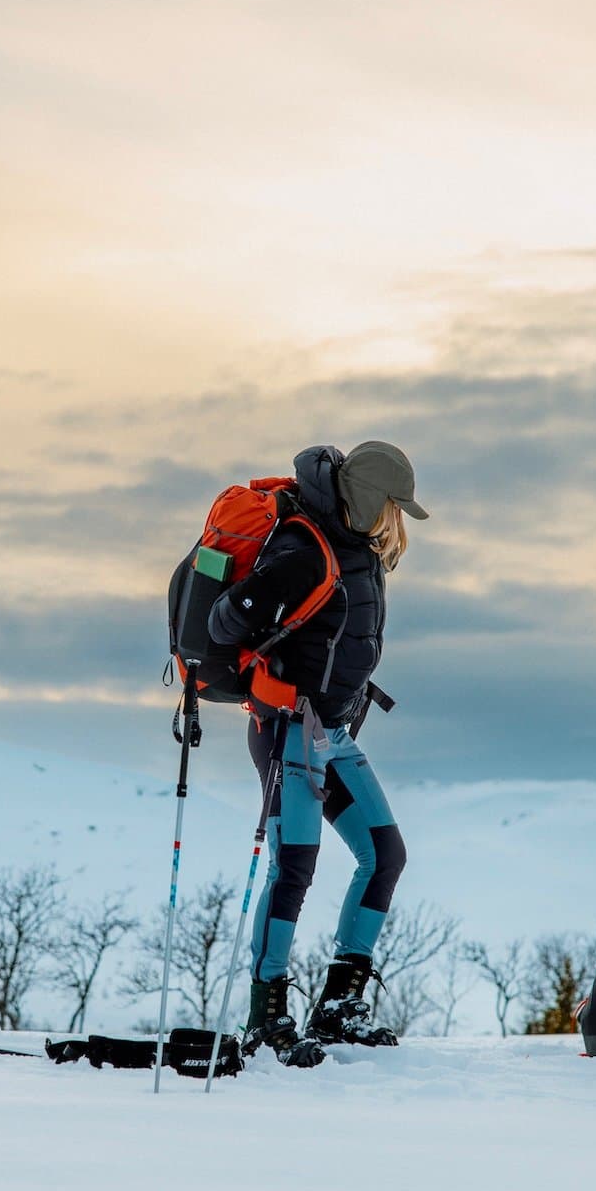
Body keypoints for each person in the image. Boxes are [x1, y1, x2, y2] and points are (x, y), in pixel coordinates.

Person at [207, 441, 426, 1067]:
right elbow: (228, 621)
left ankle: (337, 1007)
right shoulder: (306, 549)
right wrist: (264, 642)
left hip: (330, 735)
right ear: (367, 500)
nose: (398, 519)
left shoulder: (357, 551)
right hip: (286, 731)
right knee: (295, 864)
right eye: (393, 504)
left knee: (384, 854)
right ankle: (266, 1014)